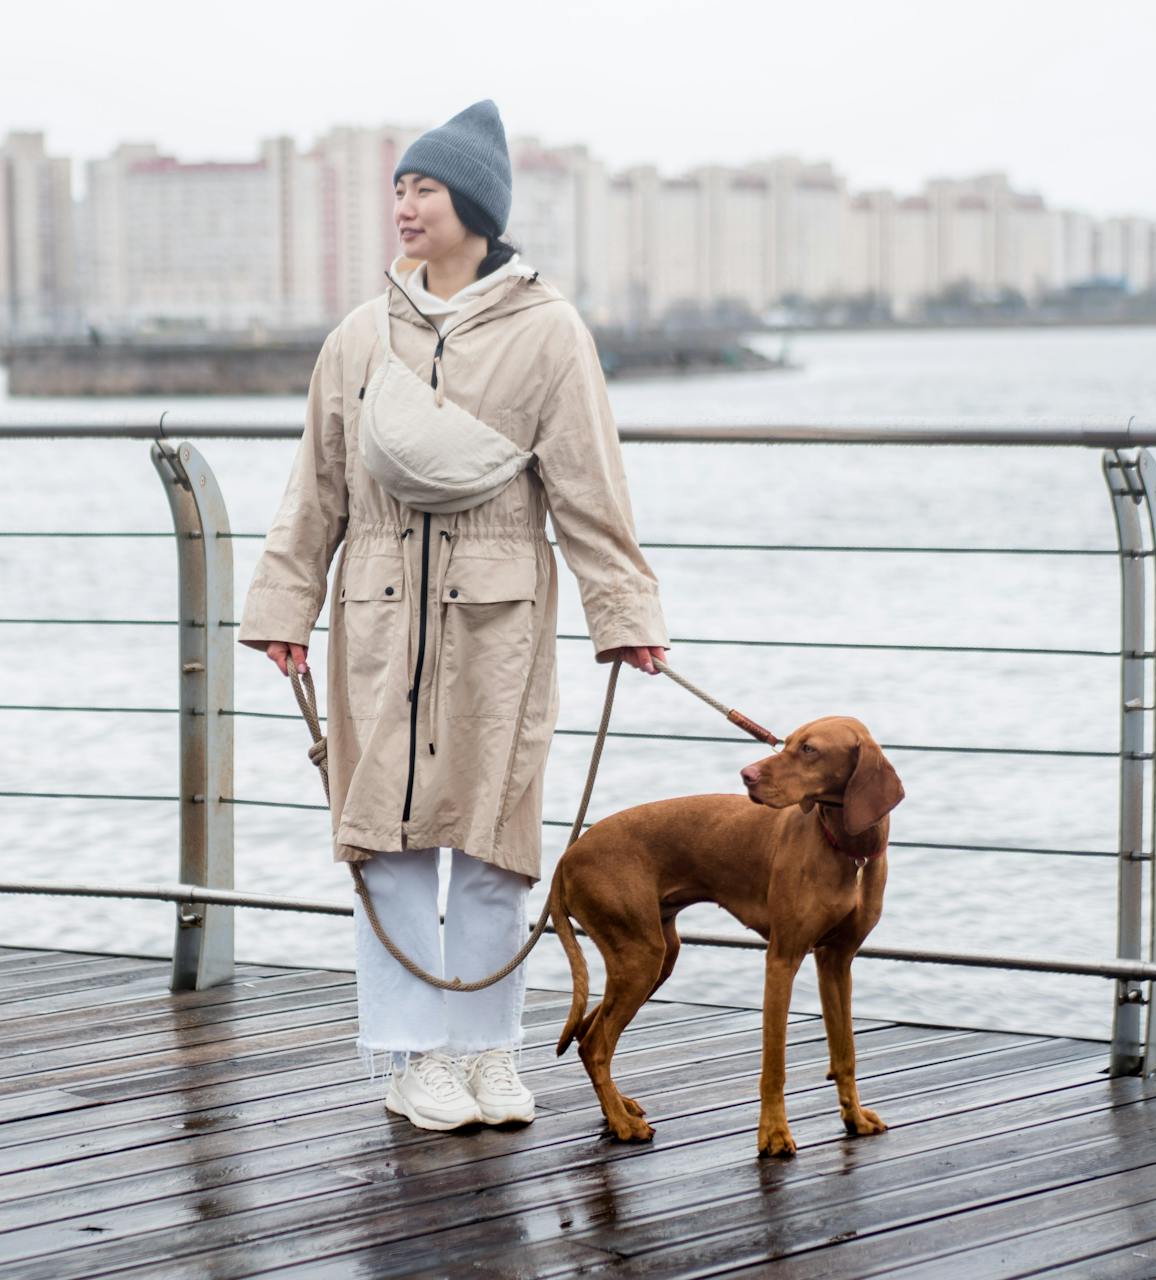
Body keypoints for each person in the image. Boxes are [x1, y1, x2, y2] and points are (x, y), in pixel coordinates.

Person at [237, 100, 668, 1132]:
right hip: (378, 624)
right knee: (386, 847)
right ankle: (412, 1057)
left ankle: (488, 1055)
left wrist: (626, 612)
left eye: (423, 187)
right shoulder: (357, 338)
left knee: (492, 848)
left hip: (499, 627)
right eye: (397, 187)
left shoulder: (549, 331)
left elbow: (589, 489)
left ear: (475, 203)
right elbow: (317, 488)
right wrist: (284, 608)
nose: (403, 205)